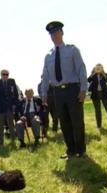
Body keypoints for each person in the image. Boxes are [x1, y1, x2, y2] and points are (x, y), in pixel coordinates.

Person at [40, 21, 88, 159]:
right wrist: (44, 93)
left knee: (77, 121)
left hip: (73, 90)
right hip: (57, 93)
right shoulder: (48, 56)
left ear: (62, 33)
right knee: (64, 123)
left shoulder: (72, 50)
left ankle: (81, 150)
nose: (54, 35)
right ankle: (71, 150)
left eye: (56, 32)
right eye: (51, 34)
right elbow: (45, 76)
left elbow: (81, 69)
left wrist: (83, 89)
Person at [0, 69, 18, 146]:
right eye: (4, 74)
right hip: (0, 109)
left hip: (9, 107)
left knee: (11, 125)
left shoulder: (12, 81)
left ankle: (13, 139)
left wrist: (15, 105)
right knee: (0, 126)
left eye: (7, 74)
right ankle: (0, 142)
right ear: (1, 75)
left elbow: (15, 94)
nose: (5, 76)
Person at [88, 64, 107, 131]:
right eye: (97, 68)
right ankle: (99, 126)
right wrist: (93, 73)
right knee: (97, 111)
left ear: (102, 68)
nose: (98, 69)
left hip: (104, 94)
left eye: (100, 68)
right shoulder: (93, 75)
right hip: (95, 94)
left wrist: (103, 73)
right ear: (94, 68)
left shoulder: (104, 74)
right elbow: (88, 80)